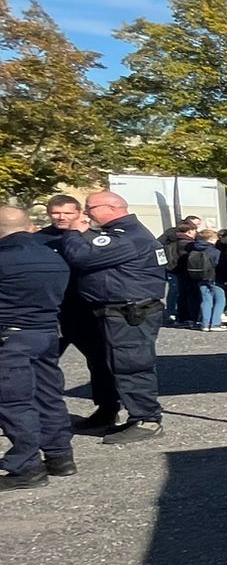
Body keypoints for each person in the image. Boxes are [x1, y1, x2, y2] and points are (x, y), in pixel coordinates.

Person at [54, 189, 167, 443]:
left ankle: (147, 420)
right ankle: (120, 414)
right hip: (117, 312)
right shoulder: (118, 234)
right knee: (113, 364)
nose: (86, 213)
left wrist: (72, 232)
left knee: (132, 366)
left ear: (112, 208)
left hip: (129, 313)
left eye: (90, 208)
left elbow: (82, 257)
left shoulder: (128, 237)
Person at [0, 205, 76, 489]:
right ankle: (60, 457)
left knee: (15, 403)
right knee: (49, 396)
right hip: (46, 333)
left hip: (11, 338)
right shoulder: (52, 256)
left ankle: (26, 467)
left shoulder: (4, 258)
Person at [37, 194, 120, 431]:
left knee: (101, 362)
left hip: (87, 310)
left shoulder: (94, 238)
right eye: (56, 213)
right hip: (52, 311)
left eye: (67, 213)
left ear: (79, 213)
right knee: (40, 364)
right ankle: (40, 413)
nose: (61, 217)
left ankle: (107, 409)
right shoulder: (38, 240)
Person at [159, 215, 200, 326]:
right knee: (182, 293)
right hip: (183, 271)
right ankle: (181, 315)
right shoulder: (188, 243)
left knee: (176, 292)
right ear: (190, 230)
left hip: (171, 269)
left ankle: (173, 313)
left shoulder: (171, 240)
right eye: (195, 229)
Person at [184, 228, 225, 332]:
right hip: (214, 277)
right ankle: (215, 323)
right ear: (210, 239)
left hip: (199, 277)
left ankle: (205, 324)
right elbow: (219, 265)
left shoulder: (194, 249)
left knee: (206, 300)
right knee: (220, 299)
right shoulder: (214, 251)